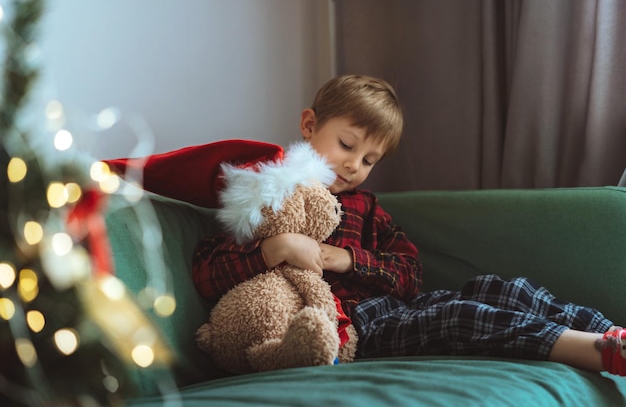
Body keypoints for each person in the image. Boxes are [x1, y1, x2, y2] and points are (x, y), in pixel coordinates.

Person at [192, 74, 626, 376]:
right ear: (310, 125)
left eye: (368, 160)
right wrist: (274, 248)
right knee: (462, 318)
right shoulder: (270, 194)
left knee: (496, 287)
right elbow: (207, 269)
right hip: (355, 328)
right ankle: (597, 353)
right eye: (346, 145)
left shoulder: (366, 209)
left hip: (394, 308)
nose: (353, 165)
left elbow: (410, 276)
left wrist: (345, 259)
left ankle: (608, 330)